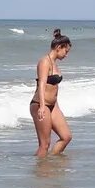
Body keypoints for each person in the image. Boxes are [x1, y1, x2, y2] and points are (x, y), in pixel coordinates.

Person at [32, 29, 73, 158]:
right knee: (44, 144)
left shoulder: (55, 64)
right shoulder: (44, 62)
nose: (66, 55)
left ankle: (50, 162)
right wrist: (43, 106)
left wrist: (56, 106)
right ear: (58, 47)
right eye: (65, 51)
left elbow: (54, 87)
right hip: (40, 104)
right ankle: (40, 169)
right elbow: (42, 84)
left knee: (66, 136)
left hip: (53, 106)